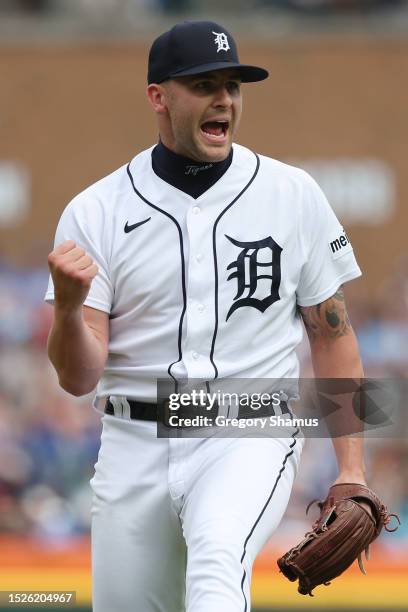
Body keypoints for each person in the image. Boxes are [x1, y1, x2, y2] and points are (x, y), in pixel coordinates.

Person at [45, 20, 367, 612]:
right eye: (203, 84)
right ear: (158, 97)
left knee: (217, 569)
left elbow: (333, 336)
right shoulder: (95, 210)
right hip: (131, 440)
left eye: (233, 85)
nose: (224, 99)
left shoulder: (292, 194)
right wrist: (67, 310)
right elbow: (77, 378)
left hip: (248, 427)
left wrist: (353, 468)